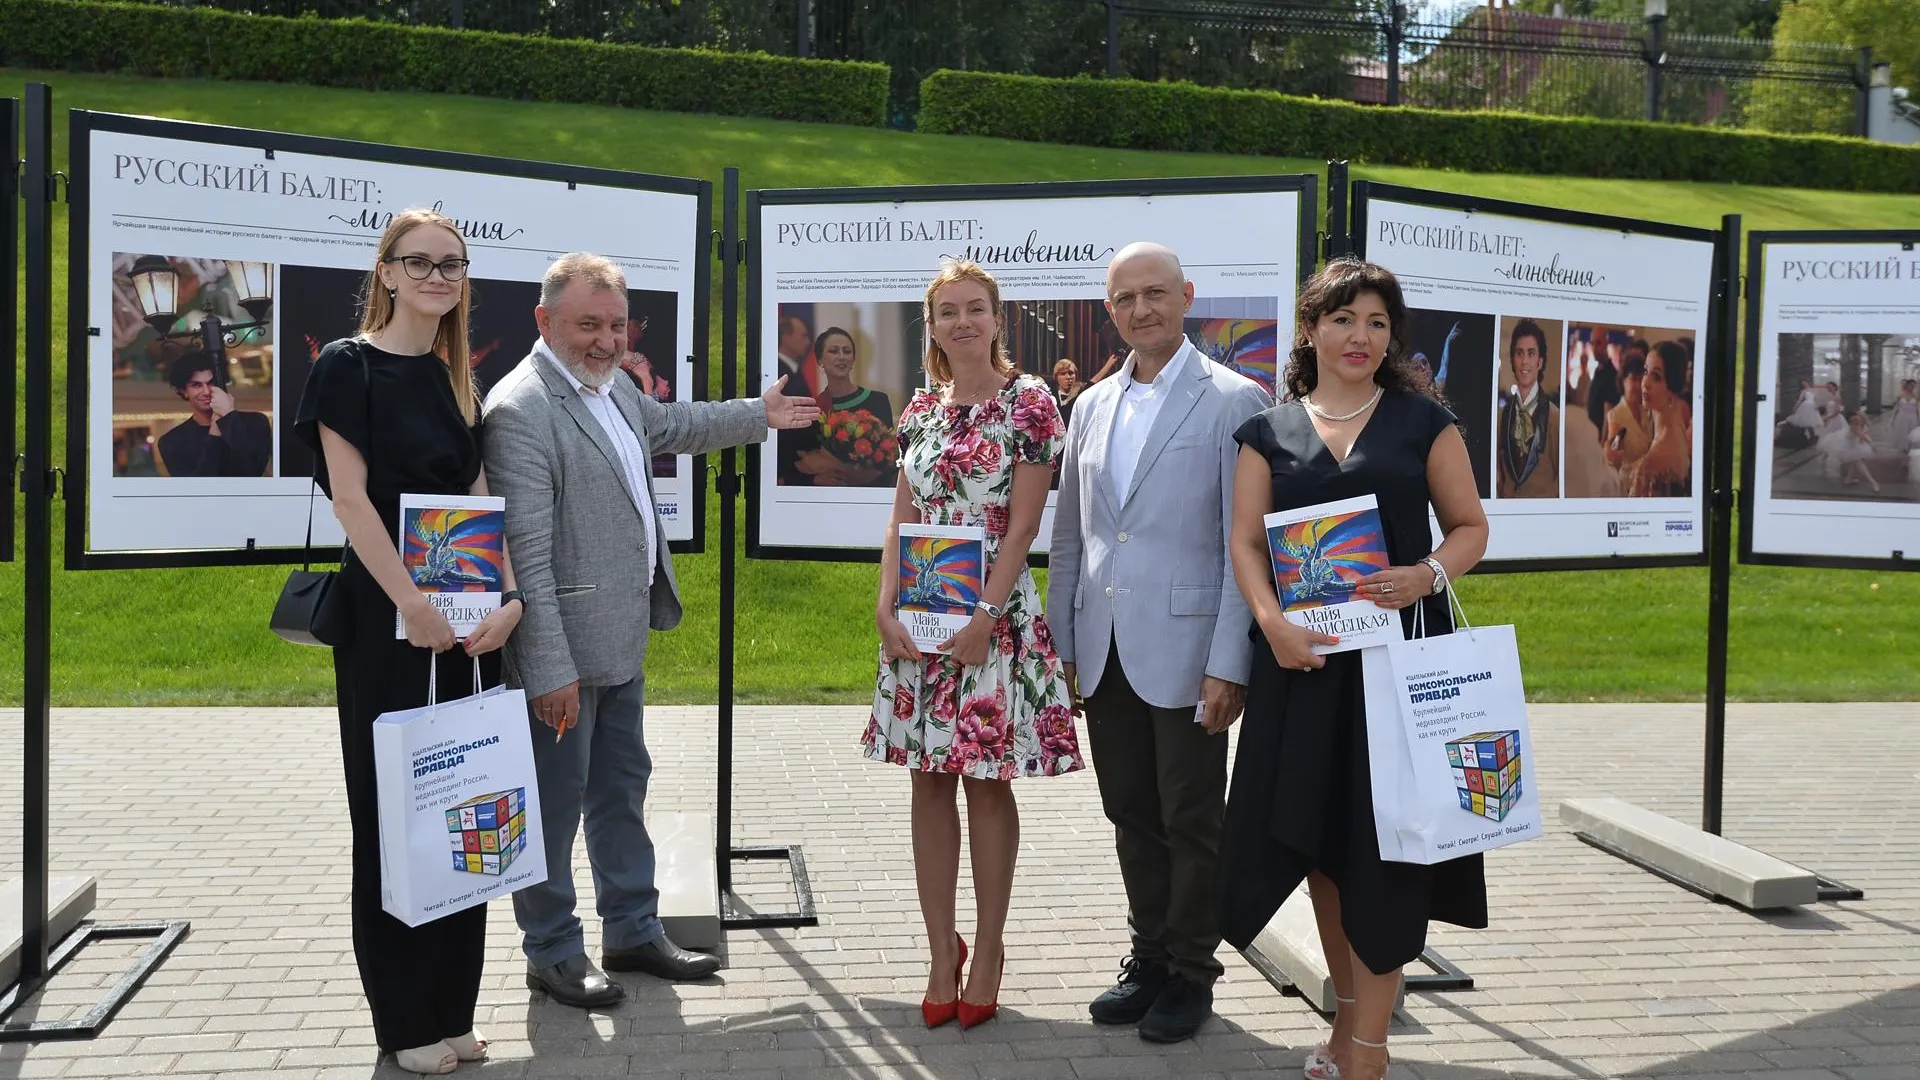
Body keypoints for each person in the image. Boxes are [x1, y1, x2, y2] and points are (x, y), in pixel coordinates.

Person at [482, 253, 820, 1010]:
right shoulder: (521, 410)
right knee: (552, 806)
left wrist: (757, 414)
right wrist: (548, 671)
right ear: (544, 322)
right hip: (562, 660)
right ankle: (553, 952)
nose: (606, 340)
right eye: (587, 325)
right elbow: (526, 559)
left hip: (619, 642)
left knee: (619, 792)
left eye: (614, 324)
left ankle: (631, 930)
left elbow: (674, 424)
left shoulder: (616, 387)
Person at [1220, 258, 1490, 1080]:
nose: (1360, 337)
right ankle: (1342, 1027)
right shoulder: (1268, 431)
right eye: (1343, 320)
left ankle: (1368, 1050)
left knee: (1388, 854)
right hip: (1303, 672)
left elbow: (1469, 528)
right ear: (1311, 329)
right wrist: (1273, 628)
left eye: (1376, 323)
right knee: (1319, 847)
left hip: (1399, 672)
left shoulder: (1423, 423)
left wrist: (1426, 575)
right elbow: (1245, 542)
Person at [294, 207, 524, 1075]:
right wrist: (414, 605)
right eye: (419, 262)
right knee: (394, 818)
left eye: (453, 264)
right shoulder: (343, 369)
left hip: (469, 630)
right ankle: (403, 1020)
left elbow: (478, 500)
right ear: (385, 272)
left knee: (468, 808)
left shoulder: (450, 376)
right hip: (390, 629)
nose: (438, 276)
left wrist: (506, 598)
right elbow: (352, 503)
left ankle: (455, 1010)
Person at [1046, 242, 1271, 1044]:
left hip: (1188, 650)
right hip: (1105, 647)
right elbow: (1071, 537)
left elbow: (1239, 542)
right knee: (1129, 809)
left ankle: (1189, 971)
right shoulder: (1091, 405)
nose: (1141, 310)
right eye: (1125, 299)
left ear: (1187, 297)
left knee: (1191, 817)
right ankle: (1146, 956)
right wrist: (1062, 637)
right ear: (1110, 310)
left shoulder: (1234, 400)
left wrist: (1228, 660)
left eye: (1156, 294)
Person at [864, 259, 1082, 1033]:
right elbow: (901, 516)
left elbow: (1023, 525)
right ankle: (937, 952)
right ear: (931, 327)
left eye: (975, 309)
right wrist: (885, 602)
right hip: (920, 618)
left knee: (987, 780)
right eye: (947, 312)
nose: (962, 322)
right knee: (928, 780)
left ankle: (987, 948)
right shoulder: (920, 408)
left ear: (998, 320)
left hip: (995, 619)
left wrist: (987, 614)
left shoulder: (1029, 403)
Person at [779, 326, 894, 487]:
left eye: (847, 352)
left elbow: (889, 458)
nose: (841, 357)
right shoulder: (812, 409)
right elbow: (791, 469)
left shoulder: (878, 400)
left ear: (853, 359)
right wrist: (814, 480)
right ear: (819, 360)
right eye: (833, 351)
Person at [157, 350, 272, 477]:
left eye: (211, 383)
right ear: (183, 391)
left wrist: (227, 415)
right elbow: (198, 489)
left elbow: (253, 470)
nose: (206, 391)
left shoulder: (256, 422)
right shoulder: (172, 442)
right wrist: (214, 431)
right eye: (196, 385)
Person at [1496, 319, 1558, 499]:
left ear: (1540, 361)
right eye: (1519, 353)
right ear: (1513, 360)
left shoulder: (1554, 418)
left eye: (1531, 353)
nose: (1524, 361)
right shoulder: (1501, 418)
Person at [1628, 340, 1692, 498]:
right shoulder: (1676, 431)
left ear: (1672, 387)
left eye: (1656, 377)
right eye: (1645, 372)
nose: (1645, 383)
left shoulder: (1657, 457)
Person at [1603, 347, 1653, 489]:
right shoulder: (1616, 415)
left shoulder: (1646, 411)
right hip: (1626, 486)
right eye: (1633, 379)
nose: (1638, 385)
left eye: (1641, 380)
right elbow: (1612, 449)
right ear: (1623, 380)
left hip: (1645, 484)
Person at [1818, 410, 1881, 493]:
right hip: (1847, 447)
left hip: (1853, 445)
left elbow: (1867, 429)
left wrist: (1865, 419)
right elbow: (1862, 436)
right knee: (1858, 462)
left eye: (1858, 417)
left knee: (1855, 461)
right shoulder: (1854, 425)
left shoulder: (1858, 423)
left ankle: (1848, 479)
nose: (1857, 419)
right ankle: (1873, 482)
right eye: (1855, 418)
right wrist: (1872, 445)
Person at [777, 312, 817, 395]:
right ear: (786, 338)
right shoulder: (777, 372)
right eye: (803, 336)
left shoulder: (794, 370)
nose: (808, 342)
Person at [1051, 358, 1082, 428]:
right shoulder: (1050, 395)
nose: (1068, 377)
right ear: (1056, 377)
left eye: (1071, 373)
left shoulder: (1081, 395)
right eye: (1063, 374)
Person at [1890, 379, 1918, 454]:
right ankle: (1905, 447)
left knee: (1911, 432)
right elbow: (1896, 408)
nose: (1912, 387)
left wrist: (1918, 419)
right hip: (1902, 416)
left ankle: (1910, 447)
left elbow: (1917, 409)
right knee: (1903, 432)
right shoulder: (1900, 395)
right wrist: (1893, 419)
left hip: (1912, 417)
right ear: (1907, 385)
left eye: (1913, 386)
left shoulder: (1915, 396)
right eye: (1910, 385)